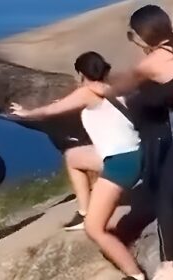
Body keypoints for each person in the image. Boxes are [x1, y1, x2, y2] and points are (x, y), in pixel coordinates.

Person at [10, 51, 145, 280]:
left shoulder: (87, 92)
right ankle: (83, 211)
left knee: (96, 229)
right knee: (73, 157)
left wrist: (25, 113)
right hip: (135, 154)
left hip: (121, 163)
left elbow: (49, 112)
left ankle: (135, 275)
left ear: (81, 73)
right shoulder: (113, 90)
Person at [106, 5, 173, 279]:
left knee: (167, 193)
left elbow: (118, 88)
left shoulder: (149, 64)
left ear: (139, 37)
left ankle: (169, 265)